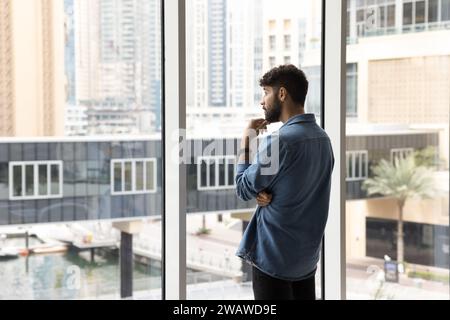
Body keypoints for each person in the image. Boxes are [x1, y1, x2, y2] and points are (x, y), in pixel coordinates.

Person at [235, 64, 334, 300]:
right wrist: (267, 191)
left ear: (282, 94)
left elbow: (242, 187)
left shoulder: (280, 142)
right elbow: (296, 186)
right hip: (305, 264)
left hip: (274, 263)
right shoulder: (323, 140)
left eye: (266, 92)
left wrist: (247, 137)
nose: (262, 102)